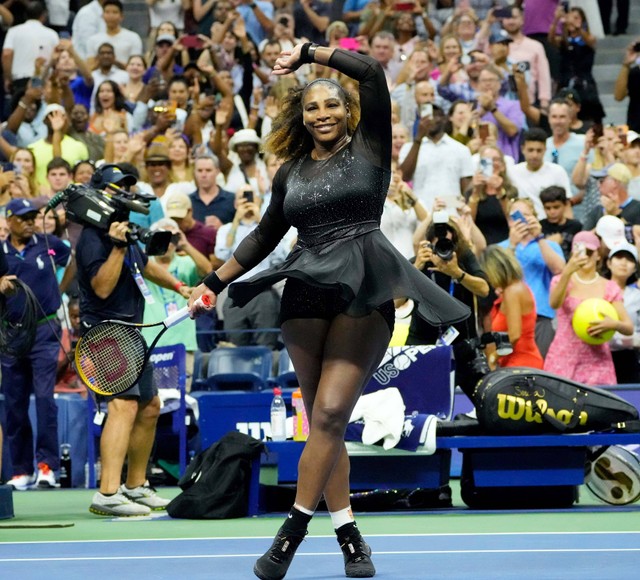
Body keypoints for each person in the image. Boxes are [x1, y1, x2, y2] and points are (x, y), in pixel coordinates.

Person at [188, 41, 469, 580]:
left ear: (348, 112)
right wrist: (212, 283)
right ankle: (349, 535)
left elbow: (371, 70)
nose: (322, 113)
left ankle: (289, 534)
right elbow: (265, 233)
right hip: (305, 290)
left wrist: (310, 54)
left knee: (332, 414)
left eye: (332, 105)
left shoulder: (371, 146)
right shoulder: (290, 171)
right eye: (313, 106)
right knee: (323, 423)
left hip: (364, 286)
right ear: (303, 115)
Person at [75, 164, 191, 516]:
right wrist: (117, 246)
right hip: (105, 334)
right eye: (118, 187)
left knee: (150, 406)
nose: (126, 191)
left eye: (129, 185)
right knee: (122, 406)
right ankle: (107, 494)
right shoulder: (93, 237)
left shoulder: (126, 231)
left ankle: (136, 486)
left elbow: (145, 266)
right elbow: (103, 286)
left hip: (132, 331)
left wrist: (179, 285)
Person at [1, 198, 70, 491]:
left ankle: (47, 466)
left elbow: (74, 258)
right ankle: (20, 470)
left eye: (33, 216)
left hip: (44, 331)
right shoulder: (0, 250)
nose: (29, 221)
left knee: (44, 400)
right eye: (23, 217)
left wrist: (60, 290)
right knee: (14, 403)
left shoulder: (50, 244)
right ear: (9, 220)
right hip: (11, 334)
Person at [544, 230, 632, 384]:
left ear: (598, 255)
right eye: (579, 252)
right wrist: (567, 273)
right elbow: (554, 303)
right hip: (563, 358)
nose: (584, 257)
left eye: (589, 252)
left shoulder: (609, 287)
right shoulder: (561, 280)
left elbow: (628, 327)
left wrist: (613, 324)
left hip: (597, 362)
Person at [499, 198, 566, 358]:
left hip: (541, 315)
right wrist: (513, 245)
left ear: (535, 218)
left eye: (527, 215)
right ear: (509, 220)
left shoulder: (549, 245)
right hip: (508, 315)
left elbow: (559, 270)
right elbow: (499, 278)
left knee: (540, 368)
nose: (521, 220)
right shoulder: (500, 248)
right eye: (516, 216)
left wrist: (540, 237)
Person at [480, 245, 544, 369]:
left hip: (522, 363)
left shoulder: (513, 291)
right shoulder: (513, 290)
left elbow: (514, 335)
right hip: (515, 363)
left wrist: (493, 357)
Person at [605, 241, 640, 384]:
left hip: (630, 358)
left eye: (629, 259)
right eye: (619, 257)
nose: (624, 263)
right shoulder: (596, 289)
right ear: (609, 263)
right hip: (598, 356)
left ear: (634, 268)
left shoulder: (637, 296)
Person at [539, 186, 583, 261]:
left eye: (556, 207)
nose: (552, 212)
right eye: (548, 208)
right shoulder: (539, 227)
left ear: (565, 205)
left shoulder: (576, 226)